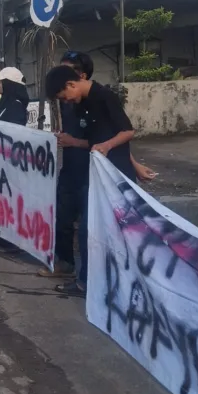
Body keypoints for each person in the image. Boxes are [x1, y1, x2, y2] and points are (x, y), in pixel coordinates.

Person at [44, 63, 136, 298]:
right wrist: (74, 142)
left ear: (71, 84)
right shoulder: (82, 104)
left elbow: (127, 131)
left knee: (101, 229)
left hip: (115, 173)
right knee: (88, 229)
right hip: (95, 173)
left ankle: (104, 281)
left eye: (65, 97)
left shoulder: (105, 97)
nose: (67, 102)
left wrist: (108, 147)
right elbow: (92, 141)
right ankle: (89, 280)